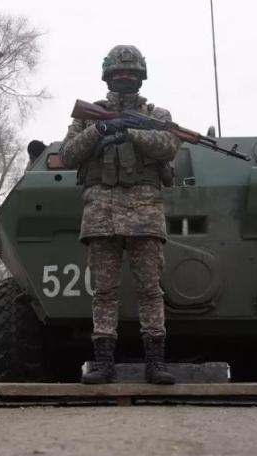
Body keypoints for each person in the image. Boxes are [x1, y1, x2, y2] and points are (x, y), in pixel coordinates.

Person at [59, 45, 181, 385]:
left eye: (130, 74)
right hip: (101, 212)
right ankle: (102, 364)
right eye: (119, 74)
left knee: (150, 290)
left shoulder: (157, 115)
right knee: (104, 291)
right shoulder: (88, 116)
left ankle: (155, 363)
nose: (125, 78)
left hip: (145, 212)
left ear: (141, 77)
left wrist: (129, 131)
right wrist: (100, 130)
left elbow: (169, 145)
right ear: (108, 77)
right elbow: (67, 155)